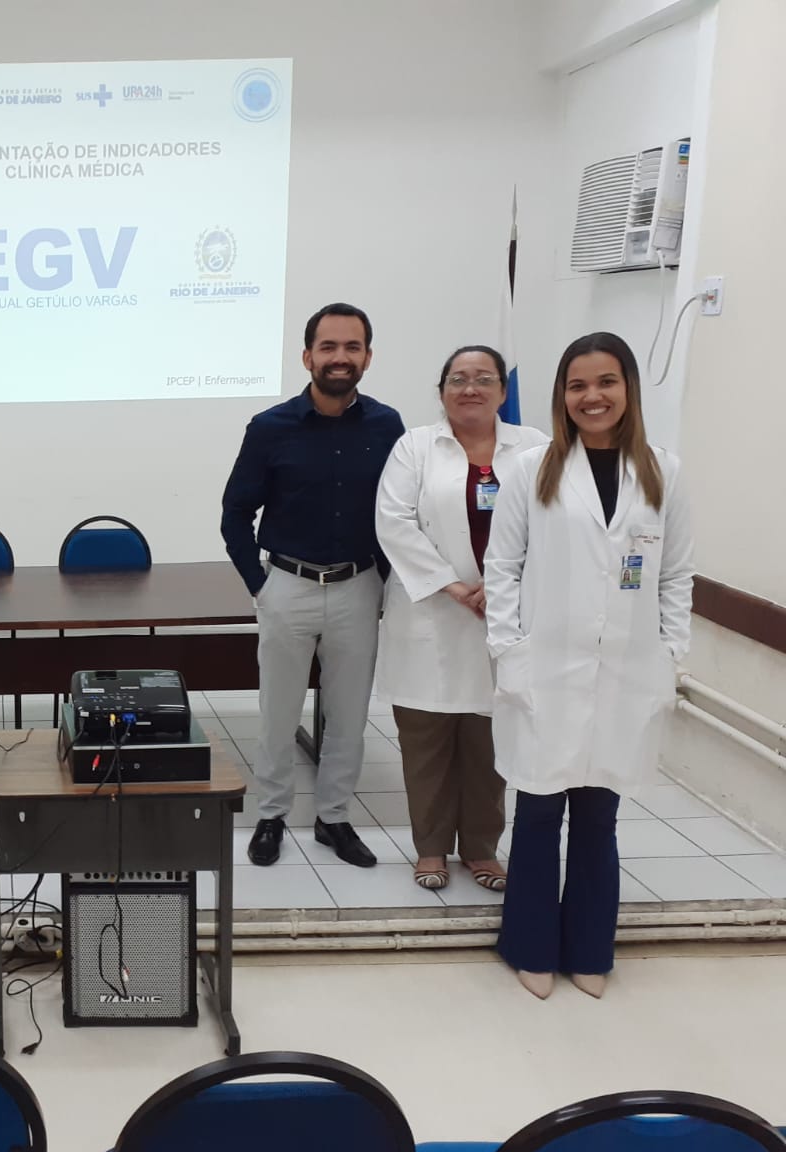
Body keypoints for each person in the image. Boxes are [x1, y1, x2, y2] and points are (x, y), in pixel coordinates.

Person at [485, 332, 693, 1000]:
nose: (592, 397)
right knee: (540, 813)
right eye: (577, 385)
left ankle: (589, 948)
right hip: (543, 668)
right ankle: (530, 946)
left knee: (600, 815)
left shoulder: (664, 472)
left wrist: (672, 654)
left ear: (628, 388)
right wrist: (509, 653)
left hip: (626, 673)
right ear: (561, 396)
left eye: (605, 382)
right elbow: (503, 569)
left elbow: (676, 574)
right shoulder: (530, 469)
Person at [222, 302, 406, 869]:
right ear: (307, 356)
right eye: (328, 347)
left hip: (357, 587)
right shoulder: (270, 427)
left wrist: (382, 580)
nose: (340, 357)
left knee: (349, 715)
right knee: (279, 714)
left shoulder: (388, 427)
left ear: (368, 357)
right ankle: (271, 816)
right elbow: (234, 515)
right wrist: (262, 585)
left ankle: (333, 819)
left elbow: (400, 513)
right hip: (288, 585)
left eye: (352, 347)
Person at [375, 346, 549, 891]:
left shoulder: (536, 447)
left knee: (489, 739)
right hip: (430, 617)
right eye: (457, 379)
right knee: (425, 740)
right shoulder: (416, 447)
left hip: (508, 615)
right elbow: (394, 522)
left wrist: (501, 590)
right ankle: (429, 849)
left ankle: (481, 848)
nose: (469, 388)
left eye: (483, 379)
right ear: (442, 389)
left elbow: (553, 522)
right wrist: (457, 588)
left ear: (502, 390)